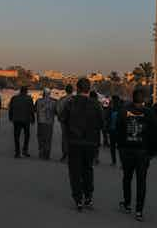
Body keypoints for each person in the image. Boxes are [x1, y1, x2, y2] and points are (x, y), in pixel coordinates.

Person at [61, 78, 103, 212]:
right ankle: (88, 197)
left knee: (74, 171)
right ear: (88, 89)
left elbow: (62, 118)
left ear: (77, 89)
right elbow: (102, 123)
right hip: (91, 143)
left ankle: (78, 199)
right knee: (87, 169)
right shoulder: (96, 104)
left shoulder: (70, 103)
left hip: (74, 142)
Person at [117, 88, 157, 222]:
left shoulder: (123, 111)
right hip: (143, 152)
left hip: (127, 150)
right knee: (141, 181)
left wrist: (120, 148)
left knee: (127, 177)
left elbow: (118, 130)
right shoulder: (149, 113)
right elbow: (154, 135)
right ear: (144, 100)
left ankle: (127, 203)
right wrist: (151, 153)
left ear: (132, 98)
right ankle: (139, 210)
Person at [9, 87, 35, 158]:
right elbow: (31, 109)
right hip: (26, 120)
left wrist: (10, 117)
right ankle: (25, 151)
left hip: (16, 119)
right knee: (27, 136)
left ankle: (17, 152)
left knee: (16, 136)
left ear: (20, 91)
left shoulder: (14, 98)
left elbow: (10, 108)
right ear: (26, 91)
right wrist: (33, 118)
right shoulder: (29, 98)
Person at [35, 88, 57, 160]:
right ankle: (47, 154)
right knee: (48, 138)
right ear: (49, 94)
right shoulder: (54, 102)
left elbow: (35, 110)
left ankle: (41, 152)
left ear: (43, 93)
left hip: (40, 122)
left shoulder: (38, 101)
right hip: (49, 123)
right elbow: (56, 112)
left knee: (41, 137)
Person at [57, 84, 74, 162]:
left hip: (63, 121)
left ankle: (64, 154)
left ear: (66, 90)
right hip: (73, 122)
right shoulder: (75, 99)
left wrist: (61, 118)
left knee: (65, 138)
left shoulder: (62, 99)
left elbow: (58, 110)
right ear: (72, 90)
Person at [107, 95, 122, 166]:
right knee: (118, 147)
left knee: (115, 147)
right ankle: (117, 162)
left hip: (115, 130)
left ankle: (114, 161)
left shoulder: (114, 109)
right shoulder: (119, 109)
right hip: (115, 130)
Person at [89, 91, 102, 165]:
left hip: (88, 126)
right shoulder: (98, 104)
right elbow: (101, 115)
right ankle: (95, 158)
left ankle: (90, 157)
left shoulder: (87, 103)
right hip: (96, 127)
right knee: (96, 143)